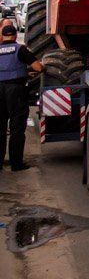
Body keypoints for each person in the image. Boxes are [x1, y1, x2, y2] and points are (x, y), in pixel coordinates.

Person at [0, 24, 42, 171]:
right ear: (14, 36)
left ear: (2, 36)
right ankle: (16, 164)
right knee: (17, 128)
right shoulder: (19, 49)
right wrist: (27, 71)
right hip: (15, 91)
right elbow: (39, 67)